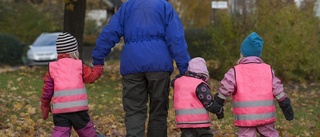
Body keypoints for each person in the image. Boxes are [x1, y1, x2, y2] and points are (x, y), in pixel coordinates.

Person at [91, 0, 190, 136]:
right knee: (159, 110)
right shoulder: (164, 7)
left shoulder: (127, 7)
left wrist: (98, 59)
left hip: (132, 65)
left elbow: (109, 32)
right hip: (159, 65)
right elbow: (176, 38)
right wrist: (184, 68)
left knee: (134, 109)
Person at [212, 32, 294, 137]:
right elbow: (277, 88)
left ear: (242, 53)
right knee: (270, 134)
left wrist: (219, 101)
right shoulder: (267, 69)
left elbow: (226, 87)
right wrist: (285, 103)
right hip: (266, 115)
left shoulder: (235, 71)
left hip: (246, 116)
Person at [40, 32, 104, 137]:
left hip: (60, 110)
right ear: (74, 51)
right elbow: (91, 77)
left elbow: (47, 90)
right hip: (78, 109)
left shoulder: (52, 68)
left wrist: (45, 105)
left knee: (60, 132)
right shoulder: (79, 65)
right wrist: (99, 68)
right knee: (87, 132)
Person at [171, 57, 224, 137]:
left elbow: (173, 81)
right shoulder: (200, 85)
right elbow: (209, 103)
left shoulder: (178, 82)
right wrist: (219, 110)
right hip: (200, 122)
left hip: (183, 121)